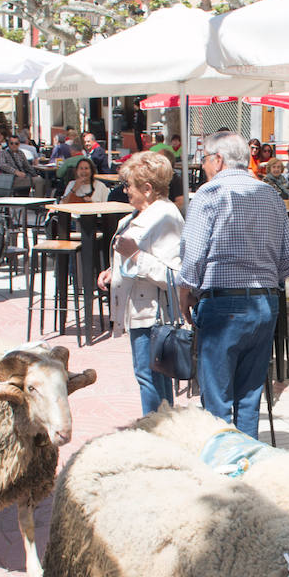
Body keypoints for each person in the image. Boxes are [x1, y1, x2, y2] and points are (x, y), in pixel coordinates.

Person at [178, 132, 289, 438]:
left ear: (218, 160)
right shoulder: (270, 194)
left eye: (205, 158)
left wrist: (185, 292)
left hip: (223, 303)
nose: (203, 165)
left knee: (217, 399)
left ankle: (220, 471)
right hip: (264, 303)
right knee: (249, 396)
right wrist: (267, 281)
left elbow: (193, 257)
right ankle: (245, 469)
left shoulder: (209, 193)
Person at [97, 151, 185, 415]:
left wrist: (134, 255)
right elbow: (132, 255)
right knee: (148, 378)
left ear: (147, 189)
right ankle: (159, 428)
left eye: (129, 186)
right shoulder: (138, 214)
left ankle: (156, 430)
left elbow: (173, 275)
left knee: (151, 379)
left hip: (152, 317)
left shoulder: (166, 216)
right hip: (139, 312)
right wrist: (114, 270)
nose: (125, 191)